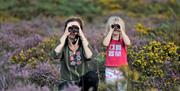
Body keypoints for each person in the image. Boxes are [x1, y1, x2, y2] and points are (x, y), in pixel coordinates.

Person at [51, 17, 97, 91]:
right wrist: (64, 36)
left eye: (76, 28)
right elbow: (55, 55)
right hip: (66, 82)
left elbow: (89, 56)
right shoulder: (63, 45)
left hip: (82, 81)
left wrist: (82, 36)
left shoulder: (83, 44)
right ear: (65, 29)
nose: (73, 30)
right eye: (70, 28)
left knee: (92, 75)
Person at [103, 16, 131, 91]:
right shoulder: (108, 39)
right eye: (113, 26)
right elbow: (105, 44)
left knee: (122, 89)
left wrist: (122, 30)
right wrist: (110, 31)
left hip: (122, 69)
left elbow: (128, 43)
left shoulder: (123, 39)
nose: (115, 28)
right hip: (110, 69)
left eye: (117, 26)